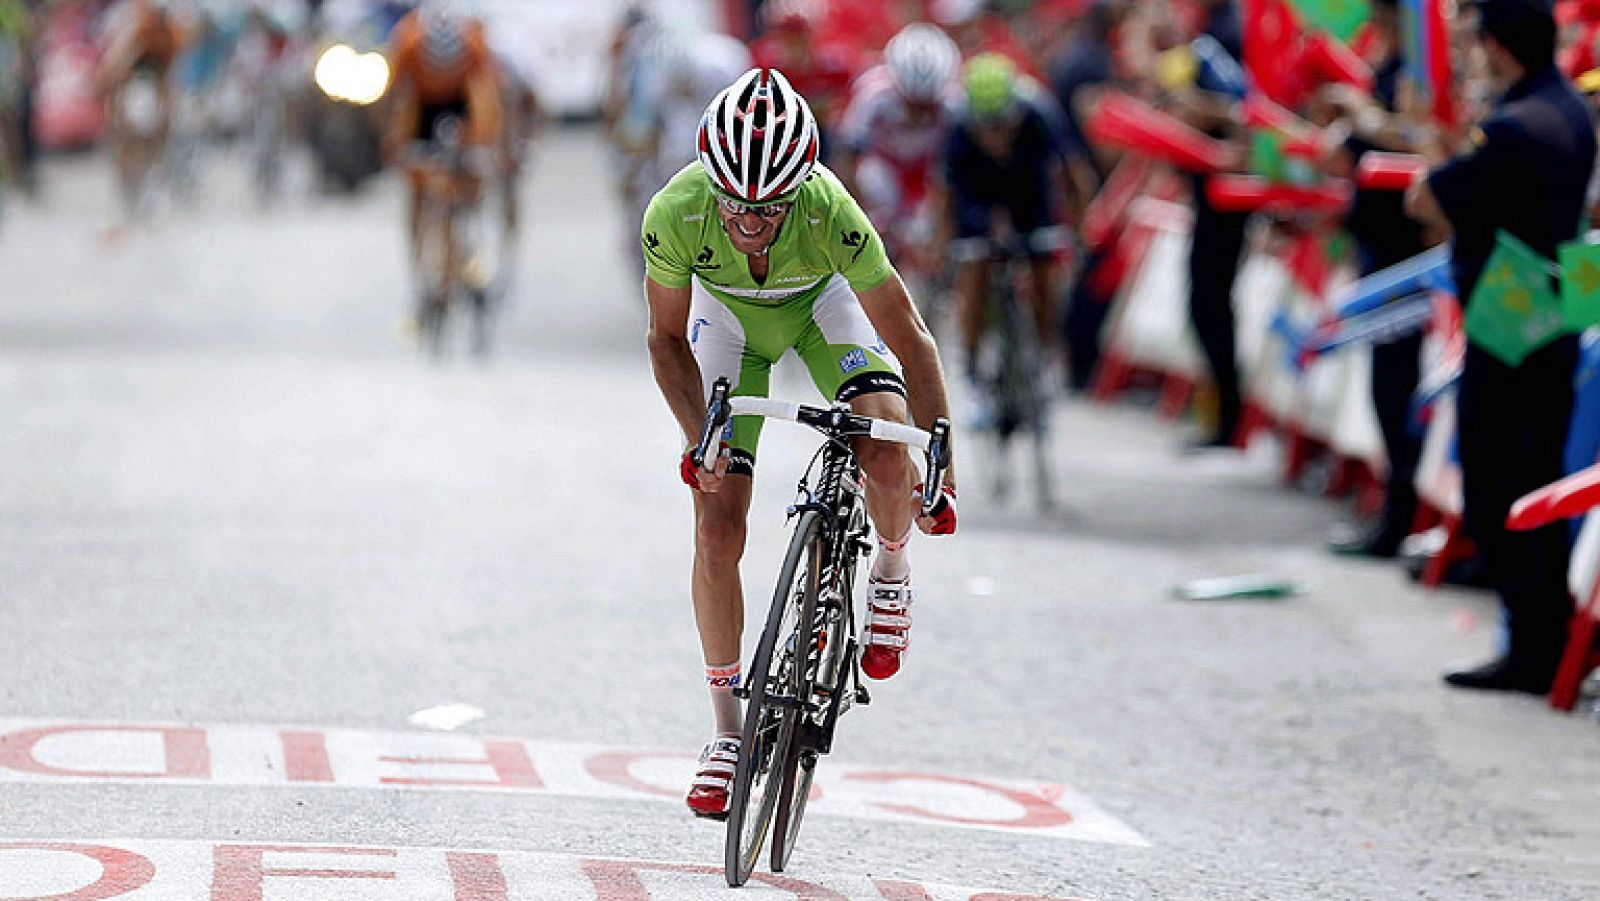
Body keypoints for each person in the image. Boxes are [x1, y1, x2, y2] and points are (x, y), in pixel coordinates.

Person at [641, 68, 958, 818]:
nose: (751, 222)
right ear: (710, 183)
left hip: (822, 311)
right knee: (717, 526)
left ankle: (890, 571)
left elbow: (911, 338)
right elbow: (665, 341)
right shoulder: (675, 212)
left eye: (770, 207)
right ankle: (726, 730)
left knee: (885, 444)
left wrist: (941, 462)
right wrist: (700, 438)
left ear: (800, 188)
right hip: (728, 328)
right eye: (736, 204)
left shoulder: (830, 212)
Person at [1405, 0, 1596, 693]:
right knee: (1535, 472)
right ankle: (1540, 637)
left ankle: (1533, 643)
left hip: (1510, 320)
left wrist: (1427, 135)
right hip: (1560, 311)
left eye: (1474, 41)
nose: (1469, 55)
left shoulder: (1511, 127)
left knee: (1496, 485)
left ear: (1498, 46)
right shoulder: (1571, 110)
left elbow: (1428, 201)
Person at [1319, 0, 1436, 557]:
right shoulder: (1388, 67)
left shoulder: (1420, 71)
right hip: (1378, 244)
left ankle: (1402, 517)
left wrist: (1365, 117)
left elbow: (1425, 141)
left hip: (1404, 250)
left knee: (1397, 384)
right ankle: (1393, 510)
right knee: (1385, 387)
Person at [944, 53, 1073, 405]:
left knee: (1045, 267)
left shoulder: (1039, 114)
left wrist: (1077, 231)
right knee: (975, 266)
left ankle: (1043, 356)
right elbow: (944, 194)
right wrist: (945, 246)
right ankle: (971, 363)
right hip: (978, 191)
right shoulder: (957, 126)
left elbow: (1072, 173)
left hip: (1029, 191)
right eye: (985, 128)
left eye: (1002, 125)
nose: (996, 137)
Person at [385, 0, 502, 330]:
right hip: (422, 110)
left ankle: (469, 245)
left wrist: (484, 149)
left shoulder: (475, 46)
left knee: (470, 175)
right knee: (417, 188)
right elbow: (394, 97)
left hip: (463, 106)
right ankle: (419, 269)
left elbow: (487, 104)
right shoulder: (407, 41)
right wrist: (394, 142)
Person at [1174, 0, 1250, 450]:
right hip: (1212, 193)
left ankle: (1228, 418)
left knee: (1210, 305)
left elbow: (1243, 107)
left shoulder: (1224, 35)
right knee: (1206, 306)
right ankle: (1221, 415)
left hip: (1228, 196)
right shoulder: (1214, 31)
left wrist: (1195, 107)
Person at [833, 22, 962, 276]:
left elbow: (955, 172)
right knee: (873, 199)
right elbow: (846, 158)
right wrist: (861, 216)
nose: (917, 112)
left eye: (925, 105)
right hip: (884, 168)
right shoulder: (872, 95)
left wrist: (941, 232)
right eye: (911, 102)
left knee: (930, 229)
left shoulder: (954, 104)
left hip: (928, 172)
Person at [97, 0, 183, 218]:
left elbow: (168, 72)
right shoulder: (138, 32)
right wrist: (117, 108)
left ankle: (153, 171)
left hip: (152, 81)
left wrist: (168, 105)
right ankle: (127, 175)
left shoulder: (172, 35)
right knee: (128, 132)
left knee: (159, 126)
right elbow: (117, 69)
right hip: (131, 80)